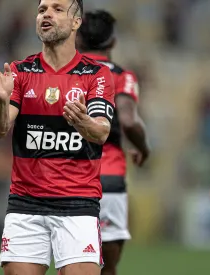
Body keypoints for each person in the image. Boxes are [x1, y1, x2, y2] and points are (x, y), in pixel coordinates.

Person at [0, 1, 115, 275]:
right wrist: (2, 102)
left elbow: (101, 131)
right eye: (42, 10)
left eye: (56, 9)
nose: (46, 14)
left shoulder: (95, 74)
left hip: (78, 203)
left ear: (76, 22)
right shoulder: (21, 72)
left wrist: (83, 122)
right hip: (26, 205)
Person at [76, 10, 150, 275]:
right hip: (108, 178)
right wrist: (143, 149)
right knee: (107, 268)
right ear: (113, 43)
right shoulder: (122, 76)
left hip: (67, 180)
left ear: (78, 41)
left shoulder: (65, 75)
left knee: (71, 266)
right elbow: (129, 122)